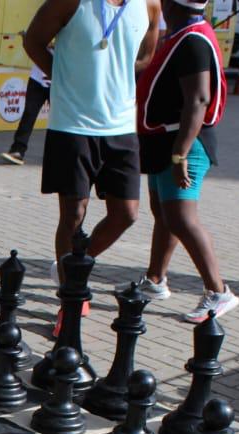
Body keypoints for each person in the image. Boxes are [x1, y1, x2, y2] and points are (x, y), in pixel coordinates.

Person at [24, 0, 161, 279]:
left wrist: (114, 74)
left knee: (126, 214)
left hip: (121, 126)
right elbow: (33, 41)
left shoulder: (149, 4)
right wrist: (62, 77)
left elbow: (146, 55)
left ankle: (75, 263)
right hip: (73, 124)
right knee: (74, 213)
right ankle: (69, 292)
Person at [133, 0, 237, 322]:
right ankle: (155, 280)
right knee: (164, 213)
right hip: (164, 140)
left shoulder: (192, 40)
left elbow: (199, 99)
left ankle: (219, 292)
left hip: (184, 144)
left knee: (181, 217)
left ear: (168, 5)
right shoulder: (179, 34)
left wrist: (180, 153)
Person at [2, 55, 52, 165]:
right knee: (29, 113)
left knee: (58, 119)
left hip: (59, 77)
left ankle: (56, 154)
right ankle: (17, 150)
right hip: (37, 77)